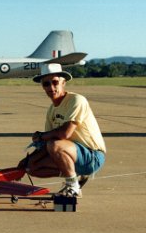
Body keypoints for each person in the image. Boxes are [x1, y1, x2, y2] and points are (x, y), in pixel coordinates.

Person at [18, 63, 106, 197]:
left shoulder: (76, 100)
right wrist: (26, 162)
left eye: (55, 82)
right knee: (31, 167)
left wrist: (41, 136)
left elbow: (65, 133)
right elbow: (46, 143)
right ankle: (75, 176)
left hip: (92, 156)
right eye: (46, 84)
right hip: (70, 154)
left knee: (55, 144)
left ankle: (72, 186)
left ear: (63, 82)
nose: (51, 87)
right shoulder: (51, 110)